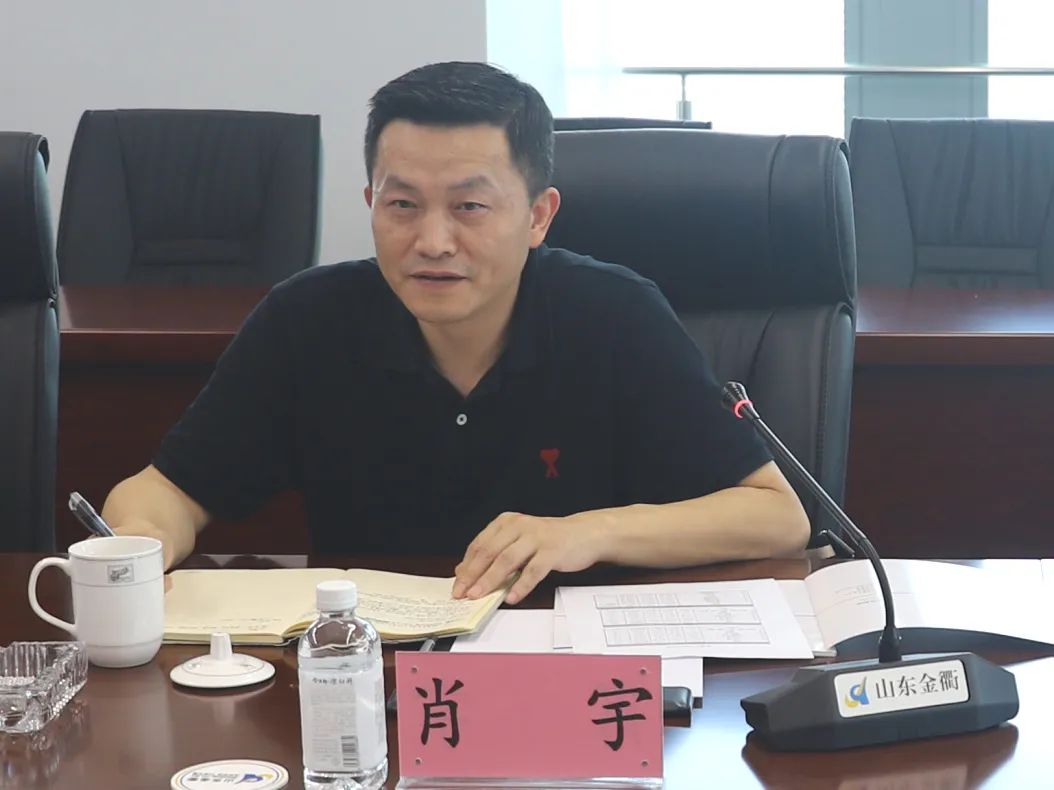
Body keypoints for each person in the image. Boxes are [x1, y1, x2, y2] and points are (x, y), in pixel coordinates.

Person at [104, 61, 809, 604]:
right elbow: (163, 492)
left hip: (573, 675)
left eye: (470, 206)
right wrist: (138, 542)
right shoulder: (306, 321)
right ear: (370, 203)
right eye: (402, 205)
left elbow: (779, 518)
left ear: (538, 216)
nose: (433, 241)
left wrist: (587, 532)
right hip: (368, 678)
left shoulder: (614, 316)